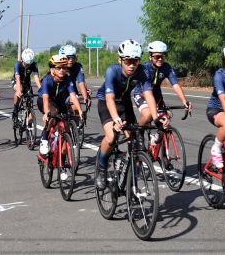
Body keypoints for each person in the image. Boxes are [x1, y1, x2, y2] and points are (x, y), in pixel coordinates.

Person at [95, 39, 169, 190]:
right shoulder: (112, 71)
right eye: (128, 61)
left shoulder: (142, 72)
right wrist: (116, 119)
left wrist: (155, 118)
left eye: (135, 61)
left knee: (134, 143)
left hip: (125, 103)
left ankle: (131, 185)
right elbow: (109, 98)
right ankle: (101, 168)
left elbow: (149, 95)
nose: (131, 65)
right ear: (120, 60)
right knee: (112, 137)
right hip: (107, 103)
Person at [133, 41, 192, 125]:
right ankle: (138, 132)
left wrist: (184, 101)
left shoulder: (166, 67)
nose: (160, 59)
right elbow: (145, 93)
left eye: (163, 56)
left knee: (165, 123)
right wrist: (154, 109)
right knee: (148, 114)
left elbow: (175, 85)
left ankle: (160, 137)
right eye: (157, 56)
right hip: (141, 94)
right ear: (150, 57)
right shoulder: (145, 68)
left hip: (157, 95)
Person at [37, 54, 84, 156]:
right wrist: (46, 113)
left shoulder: (68, 79)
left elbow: (73, 96)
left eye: (64, 67)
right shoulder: (47, 80)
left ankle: (63, 165)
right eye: (58, 67)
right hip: (45, 100)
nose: (62, 70)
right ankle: (44, 139)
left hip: (59, 101)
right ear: (52, 69)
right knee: (53, 115)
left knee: (66, 123)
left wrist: (80, 111)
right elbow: (45, 99)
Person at [59, 45, 91, 111]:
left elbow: (81, 82)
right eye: (68, 58)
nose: (71, 60)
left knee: (76, 110)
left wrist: (86, 98)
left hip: (72, 92)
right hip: (58, 92)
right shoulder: (57, 66)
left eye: (73, 58)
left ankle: (76, 120)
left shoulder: (78, 66)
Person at [12, 48, 41, 120]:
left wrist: (41, 90)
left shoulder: (34, 65)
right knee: (20, 89)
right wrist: (18, 91)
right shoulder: (17, 65)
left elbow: (36, 78)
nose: (27, 66)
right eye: (26, 64)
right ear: (22, 60)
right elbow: (17, 78)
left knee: (30, 101)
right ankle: (15, 108)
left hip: (27, 83)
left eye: (29, 64)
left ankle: (29, 124)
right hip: (17, 81)